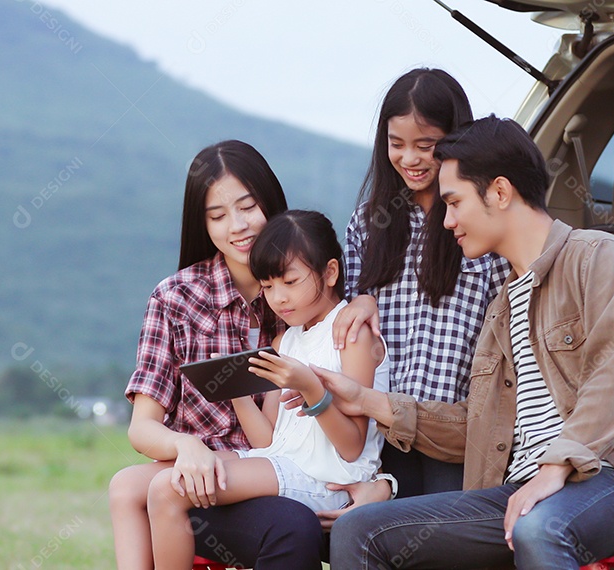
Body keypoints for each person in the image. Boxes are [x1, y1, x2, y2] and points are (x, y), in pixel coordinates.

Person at [319, 116, 614, 569]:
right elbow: (476, 428)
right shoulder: (501, 308)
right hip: (517, 492)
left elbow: (613, 378)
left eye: (455, 202)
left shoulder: (597, 256)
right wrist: (366, 401)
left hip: (608, 480)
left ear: (500, 193)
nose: (447, 221)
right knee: (358, 531)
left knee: (537, 527)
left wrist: (554, 467)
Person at [108, 140, 324, 570]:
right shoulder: (175, 298)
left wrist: (361, 306)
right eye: (218, 215)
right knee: (125, 486)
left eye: (248, 207)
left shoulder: (303, 291)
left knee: (288, 524)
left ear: (271, 204)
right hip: (197, 474)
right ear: (201, 224)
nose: (238, 226)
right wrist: (185, 445)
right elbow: (142, 428)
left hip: (276, 470)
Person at [140, 210, 391, 569]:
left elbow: (352, 448)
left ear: (331, 272)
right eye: (269, 286)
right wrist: (238, 391)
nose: (279, 298)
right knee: (154, 481)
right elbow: (266, 442)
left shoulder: (352, 333)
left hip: (331, 481)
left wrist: (310, 388)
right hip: (284, 464)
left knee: (169, 489)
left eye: (290, 282)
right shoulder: (287, 341)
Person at [331, 68, 512, 500]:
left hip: (454, 433)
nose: (410, 158)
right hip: (381, 431)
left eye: (425, 146)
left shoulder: (478, 224)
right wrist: (358, 300)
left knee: (443, 540)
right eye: (397, 145)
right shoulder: (368, 224)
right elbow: (348, 317)